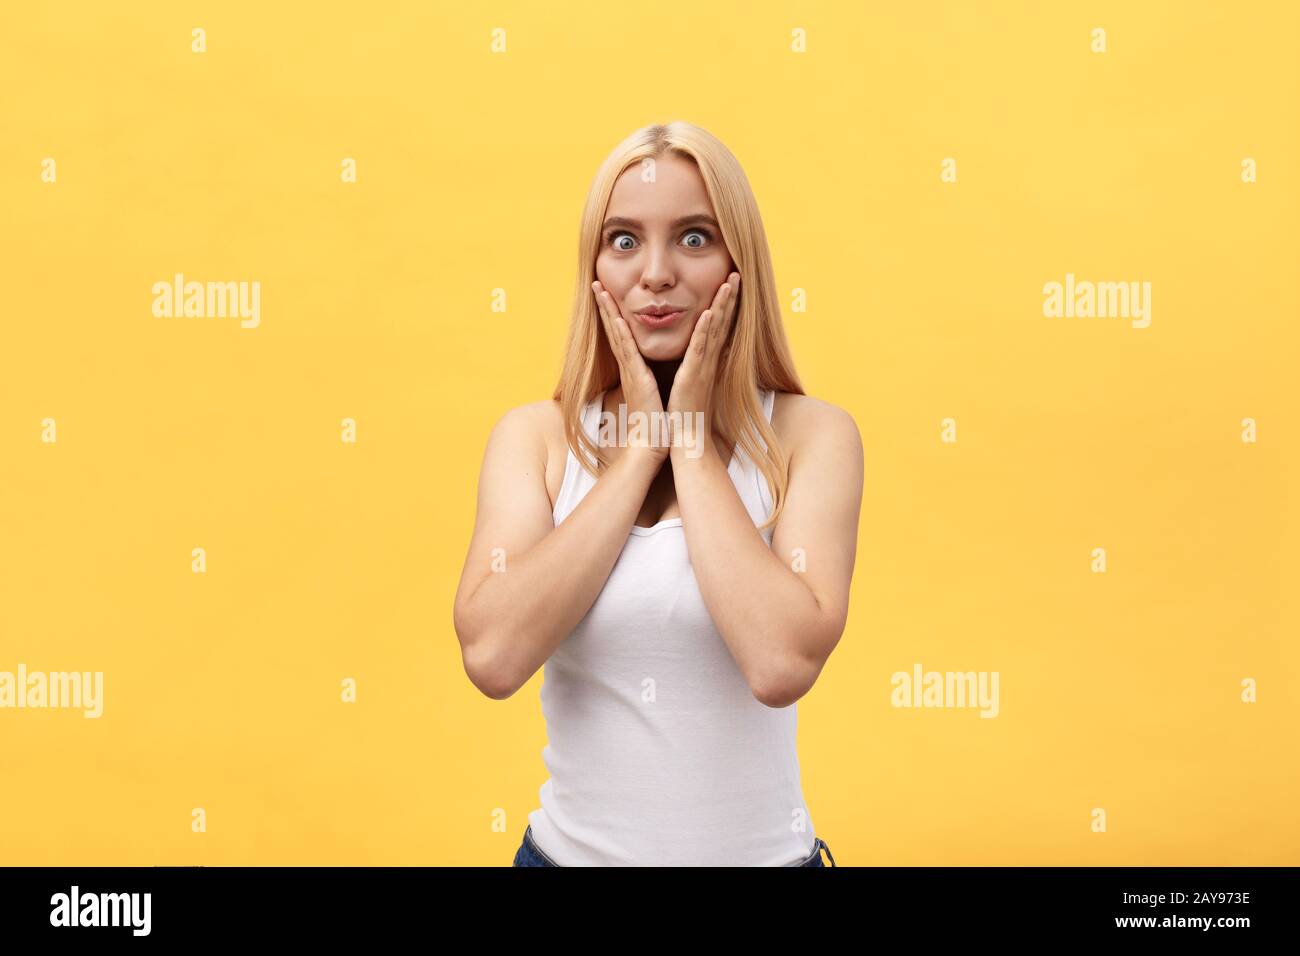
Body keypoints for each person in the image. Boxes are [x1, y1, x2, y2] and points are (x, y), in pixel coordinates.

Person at [452, 121, 863, 866]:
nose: (657, 273)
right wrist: (641, 449)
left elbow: (780, 665)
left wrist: (692, 445)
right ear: (595, 269)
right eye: (624, 240)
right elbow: (493, 655)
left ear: (742, 260)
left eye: (696, 238)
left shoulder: (813, 437)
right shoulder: (535, 440)